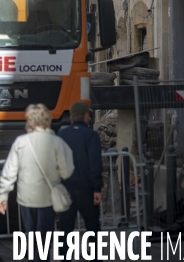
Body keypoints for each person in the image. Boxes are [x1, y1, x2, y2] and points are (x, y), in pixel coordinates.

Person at [0, 104, 74, 262]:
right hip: (47, 197)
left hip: (26, 197)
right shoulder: (56, 142)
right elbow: (67, 171)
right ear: (48, 119)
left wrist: (3, 196)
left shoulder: (20, 142)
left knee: (31, 235)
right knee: (44, 237)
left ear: (29, 121)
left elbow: (9, 171)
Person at [58, 101, 103, 259]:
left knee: (65, 228)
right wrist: (97, 188)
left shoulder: (61, 135)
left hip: (66, 189)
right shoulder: (91, 136)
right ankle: (94, 255)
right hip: (86, 189)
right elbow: (95, 163)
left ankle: (64, 256)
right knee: (92, 226)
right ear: (85, 116)